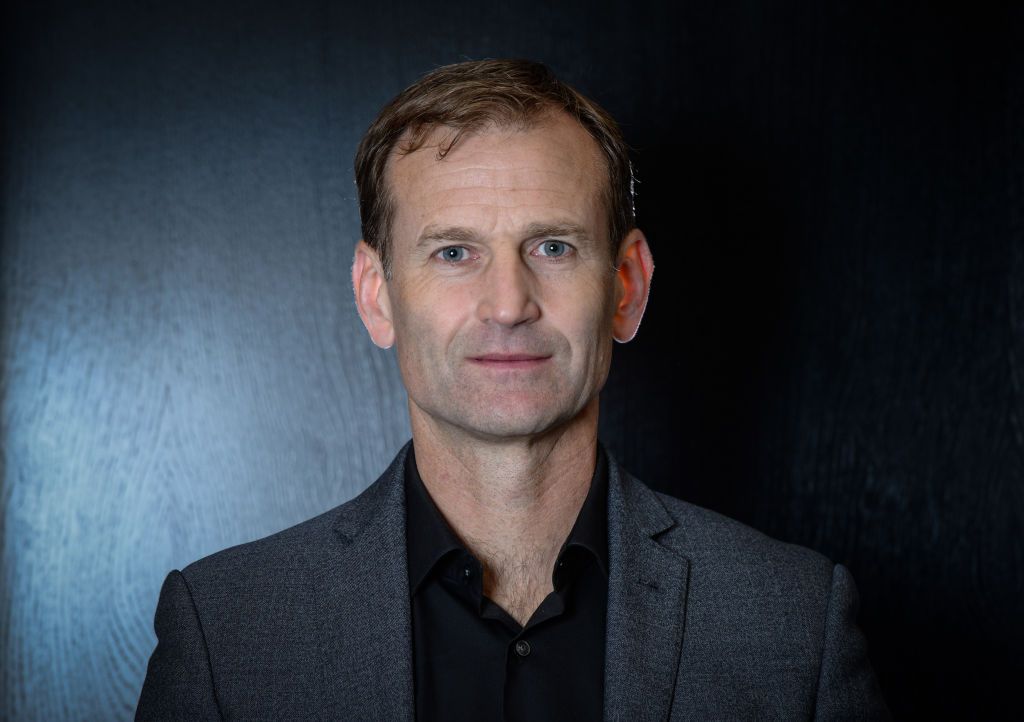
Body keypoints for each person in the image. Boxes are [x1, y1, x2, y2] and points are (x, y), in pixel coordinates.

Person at [136, 59, 889, 720]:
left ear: (626, 287)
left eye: (553, 247)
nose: (508, 303)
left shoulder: (794, 623)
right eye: (455, 251)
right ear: (377, 295)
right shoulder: (227, 633)